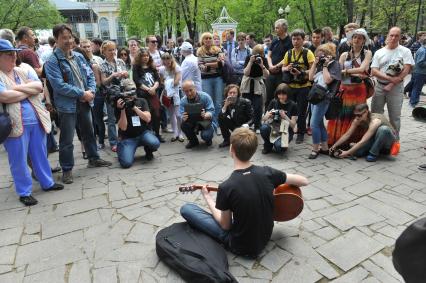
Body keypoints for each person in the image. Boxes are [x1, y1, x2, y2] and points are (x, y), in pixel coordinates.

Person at [180, 127, 309, 258]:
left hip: (240, 246)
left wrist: (207, 197)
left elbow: (225, 226)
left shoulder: (227, 187)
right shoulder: (268, 173)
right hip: (264, 238)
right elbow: (304, 181)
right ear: (253, 151)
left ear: (231, 150)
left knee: (187, 209)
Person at [44, 24, 112, 184]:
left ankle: (94, 158)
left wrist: (91, 92)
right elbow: (58, 86)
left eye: (70, 37)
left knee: (89, 133)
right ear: (56, 39)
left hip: (85, 103)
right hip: (67, 106)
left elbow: (89, 75)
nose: (68, 41)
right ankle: (67, 169)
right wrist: (82, 93)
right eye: (63, 38)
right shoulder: (52, 61)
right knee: (67, 140)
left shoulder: (79, 56)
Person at [0, 39, 64, 206]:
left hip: (36, 120)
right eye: (8, 54)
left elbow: (38, 87)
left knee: (40, 154)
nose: (14, 57)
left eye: (14, 53)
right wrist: (27, 91)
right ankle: (24, 191)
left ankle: (47, 182)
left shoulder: (21, 70)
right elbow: (4, 96)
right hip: (14, 124)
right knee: (18, 159)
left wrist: (15, 90)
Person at [327, 28, 372, 146]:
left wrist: (346, 71)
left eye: (360, 38)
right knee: (342, 113)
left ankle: (356, 142)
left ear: (364, 41)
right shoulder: (344, 54)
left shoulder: (367, 53)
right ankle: (340, 141)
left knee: (357, 114)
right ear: (351, 40)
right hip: (345, 89)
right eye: (355, 37)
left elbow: (363, 69)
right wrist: (353, 72)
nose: (357, 40)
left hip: (358, 90)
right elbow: (338, 71)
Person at [371, 27, 415, 138]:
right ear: (387, 36)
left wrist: (392, 84)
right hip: (379, 87)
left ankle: (394, 141)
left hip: (396, 88)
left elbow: (406, 69)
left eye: (396, 35)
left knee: (395, 116)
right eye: (391, 35)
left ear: (400, 37)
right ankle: (375, 138)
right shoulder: (379, 52)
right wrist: (390, 79)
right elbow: (374, 71)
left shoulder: (405, 51)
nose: (394, 38)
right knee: (376, 114)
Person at [307, 43, 342, 159]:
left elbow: (327, 80)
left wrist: (325, 66)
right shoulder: (319, 64)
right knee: (319, 123)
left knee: (313, 124)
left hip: (324, 97)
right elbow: (311, 78)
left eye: (323, 55)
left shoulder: (335, 65)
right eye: (319, 55)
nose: (321, 57)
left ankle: (315, 148)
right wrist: (315, 64)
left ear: (329, 55)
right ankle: (325, 148)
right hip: (315, 96)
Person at [330, 103, 397, 162]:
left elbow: (364, 140)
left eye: (359, 115)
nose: (357, 117)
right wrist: (334, 146)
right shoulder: (357, 119)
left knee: (383, 129)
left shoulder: (375, 121)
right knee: (357, 153)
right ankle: (374, 150)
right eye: (355, 115)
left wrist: (347, 152)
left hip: (389, 144)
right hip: (375, 139)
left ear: (366, 112)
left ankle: (373, 153)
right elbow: (347, 134)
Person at [281, 29, 315, 144]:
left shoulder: (308, 53)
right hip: (290, 86)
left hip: (303, 86)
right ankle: (287, 131)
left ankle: (301, 133)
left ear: (303, 39)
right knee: (288, 110)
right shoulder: (288, 53)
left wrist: (301, 73)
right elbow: (283, 68)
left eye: (298, 39)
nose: (295, 41)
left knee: (301, 111)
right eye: (293, 39)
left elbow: (313, 70)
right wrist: (288, 68)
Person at [115, 93, 160, 168]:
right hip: (128, 138)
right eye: (127, 96)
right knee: (126, 163)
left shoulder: (142, 101)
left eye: (131, 94)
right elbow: (123, 127)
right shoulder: (119, 105)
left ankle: (148, 149)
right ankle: (121, 149)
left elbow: (148, 119)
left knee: (154, 143)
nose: (130, 98)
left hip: (143, 133)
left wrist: (135, 108)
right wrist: (122, 110)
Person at [99, 40, 129, 152]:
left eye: (114, 49)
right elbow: (103, 82)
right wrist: (112, 75)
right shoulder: (102, 65)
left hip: (122, 92)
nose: (113, 52)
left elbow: (126, 76)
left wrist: (125, 74)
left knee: (123, 115)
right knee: (111, 119)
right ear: (104, 52)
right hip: (111, 95)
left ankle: (124, 137)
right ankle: (113, 142)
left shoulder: (120, 61)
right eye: (110, 50)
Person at [132, 48, 164, 142]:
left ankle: (157, 133)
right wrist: (148, 89)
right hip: (143, 95)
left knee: (157, 114)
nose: (145, 58)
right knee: (146, 114)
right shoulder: (136, 67)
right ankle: (148, 134)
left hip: (153, 94)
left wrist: (154, 88)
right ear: (139, 57)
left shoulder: (152, 67)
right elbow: (137, 81)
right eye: (143, 56)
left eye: (147, 56)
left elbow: (158, 79)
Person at [260, 83, 297, 154]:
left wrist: (285, 117)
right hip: (274, 128)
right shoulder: (274, 102)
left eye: (284, 94)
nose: (281, 96)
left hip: (286, 131)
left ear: (288, 94)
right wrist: (269, 115)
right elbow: (263, 119)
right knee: (263, 128)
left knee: (280, 148)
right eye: (279, 94)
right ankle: (268, 144)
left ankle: (277, 142)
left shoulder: (293, 105)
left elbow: (293, 125)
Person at [197, 32, 224, 129]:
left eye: (209, 38)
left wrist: (207, 64)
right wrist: (214, 64)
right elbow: (200, 66)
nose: (208, 40)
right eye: (206, 38)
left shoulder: (218, 49)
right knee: (209, 101)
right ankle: (211, 123)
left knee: (218, 102)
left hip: (218, 78)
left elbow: (221, 64)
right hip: (206, 79)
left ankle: (217, 123)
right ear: (202, 40)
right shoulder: (199, 51)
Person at [241, 44, 269, 131]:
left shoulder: (264, 60)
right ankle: (247, 124)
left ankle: (258, 125)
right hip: (247, 83)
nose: (258, 56)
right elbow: (246, 73)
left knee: (258, 106)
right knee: (245, 105)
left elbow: (267, 75)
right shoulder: (248, 58)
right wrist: (250, 62)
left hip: (258, 84)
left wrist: (262, 65)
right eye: (256, 54)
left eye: (260, 54)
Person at [266, 19, 293, 109]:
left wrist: (277, 66)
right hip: (271, 73)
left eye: (277, 28)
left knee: (281, 97)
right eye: (275, 28)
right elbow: (269, 55)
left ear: (284, 28)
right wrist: (270, 66)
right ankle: (267, 116)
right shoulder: (274, 40)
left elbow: (288, 57)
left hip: (281, 74)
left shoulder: (290, 41)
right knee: (268, 97)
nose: (275, 29)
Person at [180, 80, 215, 149]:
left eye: (191, 90)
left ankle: (208, 138)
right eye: (186, 91)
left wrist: (206, 114)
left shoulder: (205, 96)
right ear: (183, 91)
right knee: (183, 124)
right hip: (191, 122)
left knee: (206, 136)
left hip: (205, 121)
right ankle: (193, 141)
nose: (189, 93)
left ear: (195, 88)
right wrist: (183, 117)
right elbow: (181, 114)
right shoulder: (183, 101)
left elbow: (211, 110)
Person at [159, 52, 184, 142]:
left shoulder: (177, 68)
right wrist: (166, 84)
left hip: (176, 93)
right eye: (164, 59)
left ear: (171, 58)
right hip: (167, 94)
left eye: (168, 58)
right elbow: (161, 81)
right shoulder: (161, 69)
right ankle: (175, 133)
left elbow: (177, 81)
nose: (166, 61)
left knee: (178, 115)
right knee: (171, 114)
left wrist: (167, 82)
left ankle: (180, 133)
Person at [408, 31, 426, 107]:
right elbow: (420, 62)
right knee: (417, 88)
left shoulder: (422, 49)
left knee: (416, 87)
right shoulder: (423, 51)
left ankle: (412, 101)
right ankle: (413, 102)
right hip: (420, 72)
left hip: (420, 72)